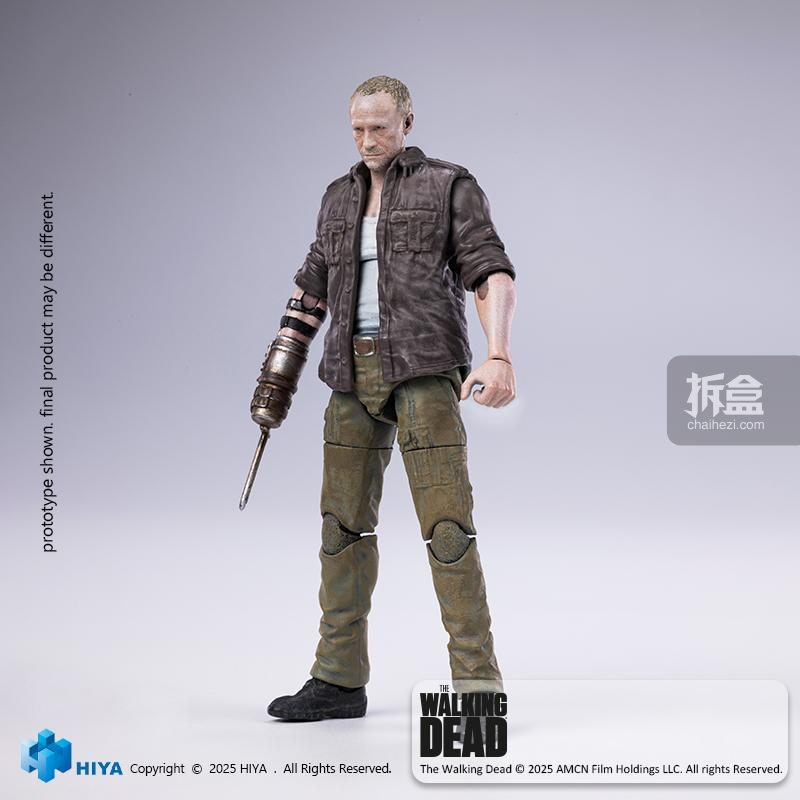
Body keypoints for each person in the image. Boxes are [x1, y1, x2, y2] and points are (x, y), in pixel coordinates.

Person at [260, 76, 516, 721]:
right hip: (349, 376)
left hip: (424, 373)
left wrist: (499, 355)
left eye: (379, 127)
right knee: (340, 531)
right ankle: (337, 679)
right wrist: (277, 378)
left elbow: (489, 271)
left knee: (448, 531)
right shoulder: (337, 197)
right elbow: (310, 292)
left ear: (407, 123)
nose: (368, 140)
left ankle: (478, 689)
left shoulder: (448, 185)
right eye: (357, 128)